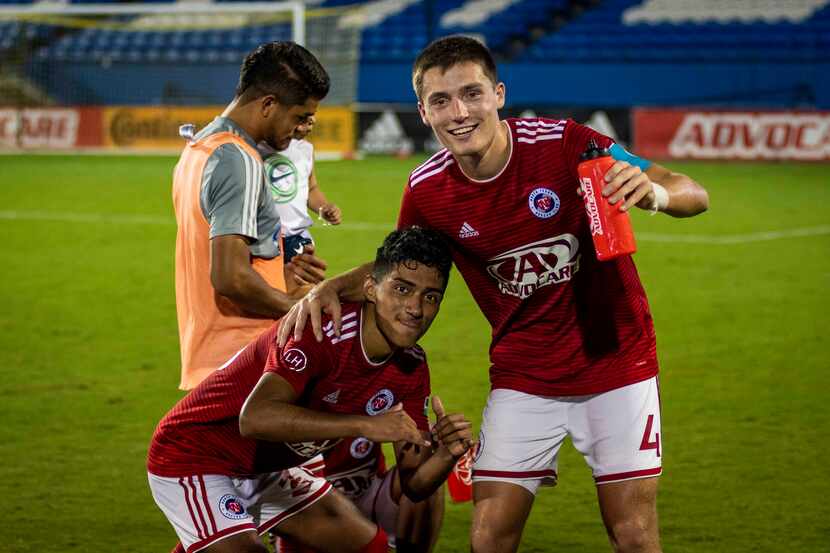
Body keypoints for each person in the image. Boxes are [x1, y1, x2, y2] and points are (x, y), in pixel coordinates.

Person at [278, 36, 710, 553]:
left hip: (616, 365)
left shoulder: (566, 144)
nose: (459, 113)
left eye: (472, 94)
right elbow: (401, 266)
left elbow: (692, 191)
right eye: (440, 101)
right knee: (488, 538)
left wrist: (655, 193)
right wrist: (332, 286)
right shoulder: (427, 189)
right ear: (423, 111)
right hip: (523, 376)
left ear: (498, 94)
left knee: (634, 534)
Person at [147, 226, 472, 553]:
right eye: (402, 289)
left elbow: (415, 487)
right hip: (193, 454)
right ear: (370, 288)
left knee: (370, 548)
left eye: (431, 297)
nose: (416, 308)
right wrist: (364, 425)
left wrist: (446, 454)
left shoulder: (412, 368)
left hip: (262, 468)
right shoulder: (321, 328)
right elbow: (255, 417)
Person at [172, 41, 330, 390]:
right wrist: (294, 304)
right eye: (300, 116)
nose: (302, 127)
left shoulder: (199, 148)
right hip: (242, 360)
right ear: (269, 105)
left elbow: (223, 254)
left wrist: (280, 275)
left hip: (212, 356)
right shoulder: (237, 158)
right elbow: (230, 277)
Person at [259, 115, 343, 272]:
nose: (310, 125)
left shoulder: (305, 149)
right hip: (262, 240)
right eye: (303, 119)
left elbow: (311, 188)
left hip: (296, 238)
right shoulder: (255, 147)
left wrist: (323, 208)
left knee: (301, 292)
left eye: (311, 120)